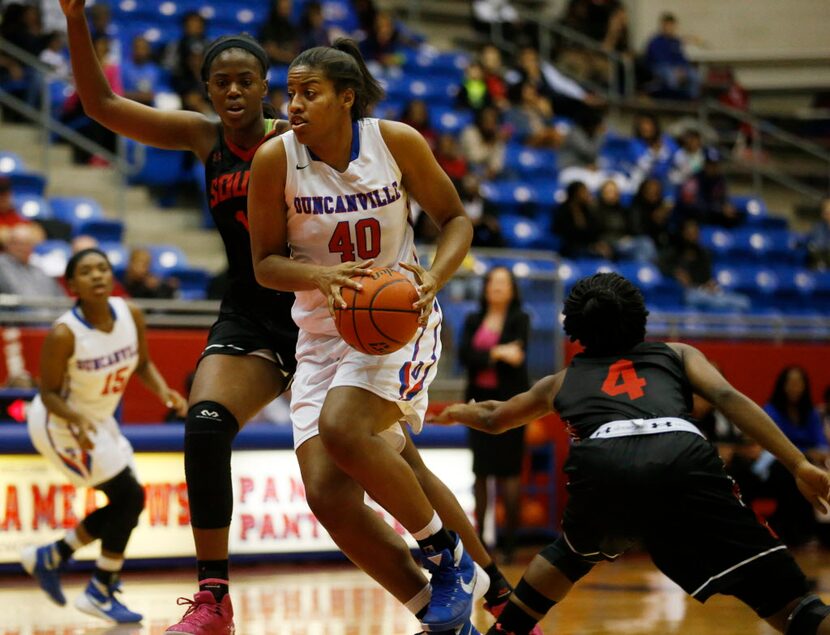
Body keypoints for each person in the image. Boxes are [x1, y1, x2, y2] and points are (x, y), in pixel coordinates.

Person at [59, 3, 512, 631]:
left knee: (391, 457)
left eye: (250, 80)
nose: (236, 91)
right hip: (273, 310)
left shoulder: (309, 138)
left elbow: (451, 215)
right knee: (217, 428)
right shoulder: (211, 138)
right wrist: (75, 20)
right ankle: (215, 597)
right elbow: (104, 108)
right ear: (208, 90)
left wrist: (422, 280)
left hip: (354, 313)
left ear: (272, 87)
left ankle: (494, 594)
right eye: (222, 82)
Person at [435, 272, 830, 635]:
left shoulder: (562, 380)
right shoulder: (676, 353)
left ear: (575, 327)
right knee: (795, 608)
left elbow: (495, 416)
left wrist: (459, 411)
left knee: (570, 553)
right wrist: (797, 462)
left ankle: (510, 627)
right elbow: (728, 396)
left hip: (604, 461)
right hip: (681, 451)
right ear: (639, 315)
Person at [247, 39, 485, 635]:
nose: (293, 104)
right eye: (290, 93)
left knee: (345, 427)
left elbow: (455, 219)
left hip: (399, 321)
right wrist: (321, 276)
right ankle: (443, 618)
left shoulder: (395, 142)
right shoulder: (275, 160)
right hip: (323, 335)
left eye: (310, 93)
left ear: (346, 97)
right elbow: (265, 264)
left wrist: (431, 275)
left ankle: (446, 557)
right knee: (327, 496)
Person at [20, 248, 187, 623]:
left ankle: (52, 556)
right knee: (129, 497)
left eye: (103, 268)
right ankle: (98, 587)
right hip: (60, 424)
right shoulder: (65, 333)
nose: (97, 275)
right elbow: (47, 394)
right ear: (73, 285)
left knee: (127, 502)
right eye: (86, 271)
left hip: (96, 420)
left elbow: (141, 364)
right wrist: (75, 418)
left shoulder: (131, 314)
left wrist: (164, 393)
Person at [459, 267, 530, 564]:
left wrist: (490, 355)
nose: (497, 287)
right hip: (477, 404)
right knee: (481, 472)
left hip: (511, 404)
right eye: (493, 282)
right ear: (485, 288)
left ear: (512, 289)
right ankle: (482, 546)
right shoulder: (473, 319)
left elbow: (518, 357)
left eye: (503, 283)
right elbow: (465, 356)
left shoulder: (520, 319)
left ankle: (510, 546)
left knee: (510, 474)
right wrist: (498, 353)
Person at [761, 366, 829, 546]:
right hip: (778, 465)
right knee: (791, 476)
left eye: (799, 383)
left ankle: (820, 534)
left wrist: (820, 453)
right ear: (782, 386)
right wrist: (806, 453)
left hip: (810, 464)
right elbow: (774, 443)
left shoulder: (812, 412)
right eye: (790, 383)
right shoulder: (770, 410)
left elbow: (821, 442)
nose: (795, 387)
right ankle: (796, 533)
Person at [0, 223, 65, 298]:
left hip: (47, 309)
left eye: (27, 244)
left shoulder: (39, 270)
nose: (23, 248)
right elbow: (19, 297)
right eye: (18, 243)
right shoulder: (2, 267)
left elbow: (61, 298)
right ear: (7, 245)